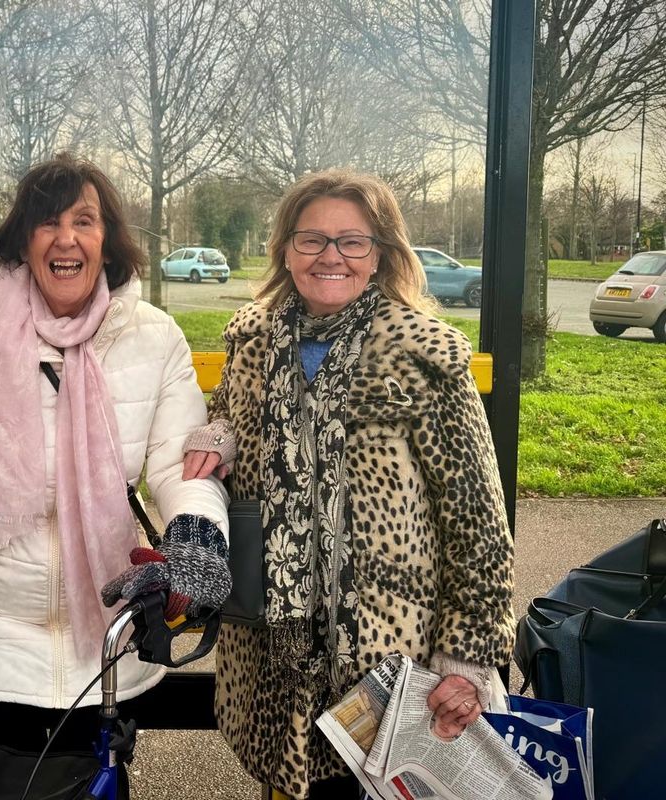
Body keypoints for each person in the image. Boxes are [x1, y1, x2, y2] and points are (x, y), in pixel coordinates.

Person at [0, 153, 231, 766]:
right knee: (3, 776)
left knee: (95, 777)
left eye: (85, 222)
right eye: (48, 222)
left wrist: (197, 537)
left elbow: (180, 468)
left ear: (108, 242)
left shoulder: (155, 337)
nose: (66, 238)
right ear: (24, 239)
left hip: (109, 627)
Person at [184, 169, 515, 799]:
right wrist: (219, 433)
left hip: (390, 658)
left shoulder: (423, 356)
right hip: (272, 656)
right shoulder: (254, 345)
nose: (330, 256)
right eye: (311, 240)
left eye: (352, 242)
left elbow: (476, 522)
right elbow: (227, 411)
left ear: (382, 254)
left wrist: (467, 658)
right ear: (286, 249)